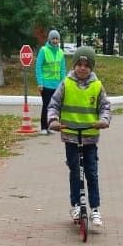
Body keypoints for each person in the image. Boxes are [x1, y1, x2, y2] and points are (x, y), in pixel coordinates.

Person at [47, 46, 111, 228]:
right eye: (79, 64)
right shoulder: (66, 83)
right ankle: (76, 205)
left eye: (86, 65)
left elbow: (105, 107)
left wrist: (104, 120)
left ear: (91, 68)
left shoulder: (97, 86)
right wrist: (53, 121)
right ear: (74, 65)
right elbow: (54, 104)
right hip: (71, 136)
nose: (82, 68)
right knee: (75, 171)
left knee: (91, 172)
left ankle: (95, 208)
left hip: (90, 137)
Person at [35, 29, 65, 135]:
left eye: (57, 38)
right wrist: (40, 83)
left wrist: (63, 83)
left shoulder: (61, 52)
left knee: (55, 107)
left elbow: (62, 69)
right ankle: (44, 127)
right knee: (47, 105)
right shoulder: (44, 50)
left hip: (57, 85)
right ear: (49, 39)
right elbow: (38, 67)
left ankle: (51, 126)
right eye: (53, 38)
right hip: (46, 84)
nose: (55, 40)